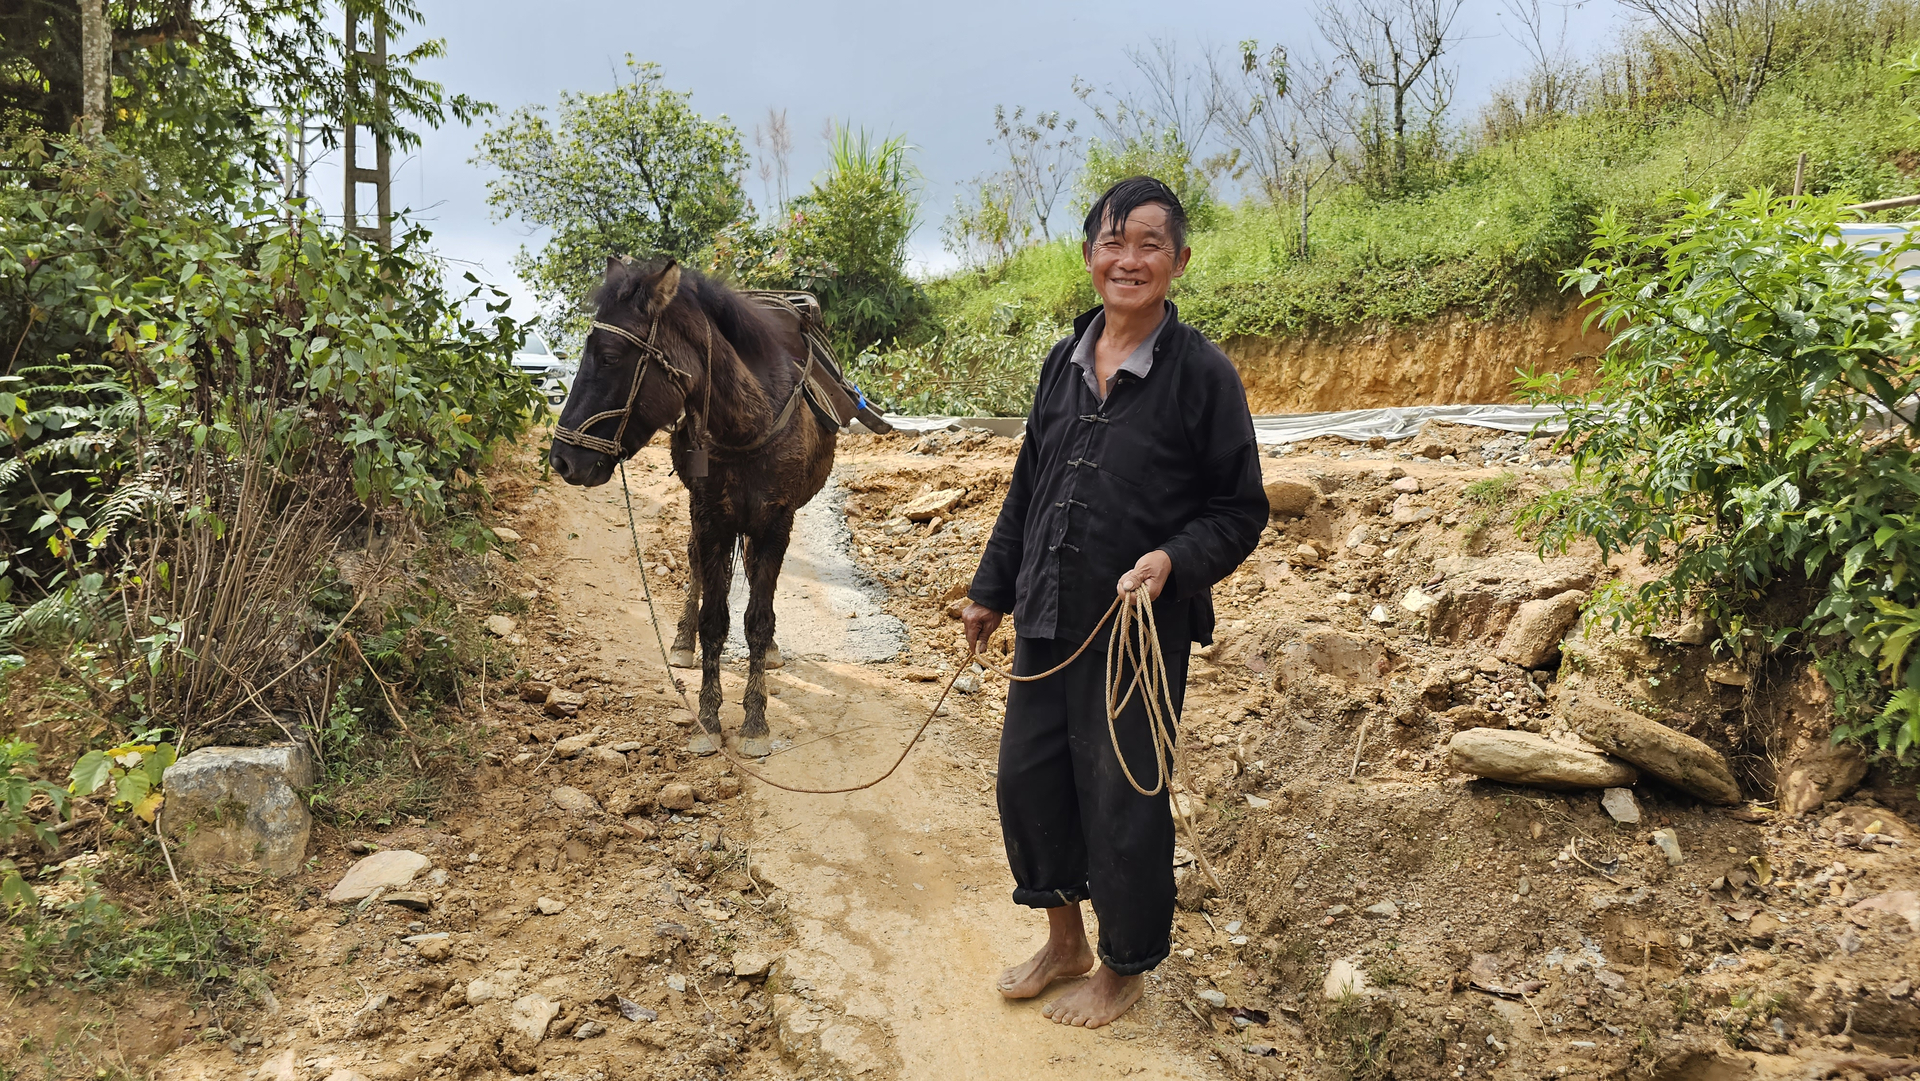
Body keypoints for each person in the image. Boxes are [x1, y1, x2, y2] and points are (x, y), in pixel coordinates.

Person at [962, 176, 1268, 1028]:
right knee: (1029, 781)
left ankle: (1124, 967)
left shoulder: (1201, 375)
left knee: (1120, 796)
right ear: (1089, 253)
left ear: (1179, 260)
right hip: (1048, 613)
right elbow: (1028, 486)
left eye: (1148, 244)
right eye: (1112, 241)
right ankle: (1066, 942)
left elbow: (1241, 510)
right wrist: (991, 590)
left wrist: (1173, 559)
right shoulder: (1063, 364)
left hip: (1138, 628)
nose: (1127, 259)